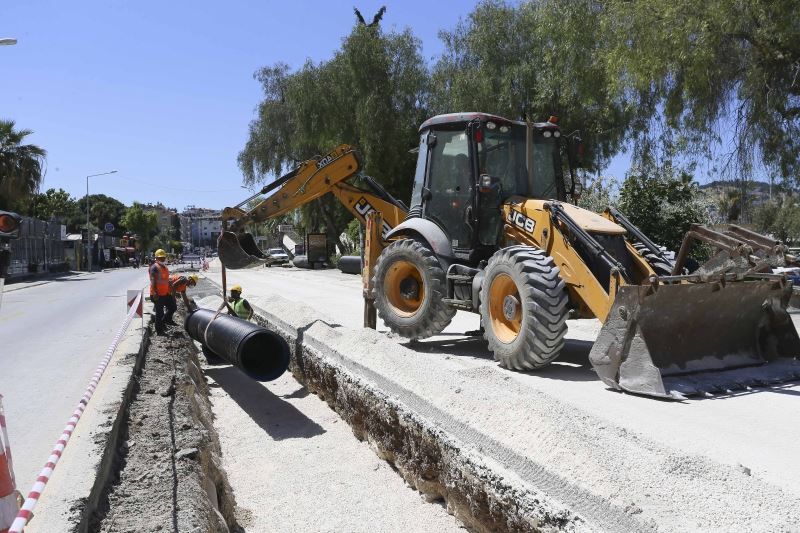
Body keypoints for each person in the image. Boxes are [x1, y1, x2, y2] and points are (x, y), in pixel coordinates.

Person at [149, 248, 177, 335]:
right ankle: (159, 330)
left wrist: (171, 292)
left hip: (165, 294)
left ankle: (165, 321)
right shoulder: (154, 267)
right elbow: (153, 280)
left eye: (163, 257)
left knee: (173, 307)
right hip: (157, 294)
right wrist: (155, 293)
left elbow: (166, 281)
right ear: (156, 258)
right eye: (160, 257)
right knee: (159, 312)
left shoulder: (164, 267)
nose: (162, 259)